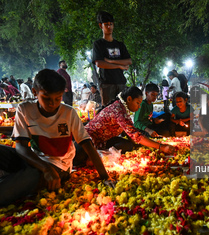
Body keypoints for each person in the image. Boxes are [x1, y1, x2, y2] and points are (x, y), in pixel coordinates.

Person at [0, 69, 113, 206]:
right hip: (35, 160)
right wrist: (44, 168)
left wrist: (105, 177)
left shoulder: (68, 113)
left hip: (58, 167)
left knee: (16, 184)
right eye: (46, 98)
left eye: (57, 98)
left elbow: (87, 145)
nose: (52, 104)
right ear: (35, 92)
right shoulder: (24, 109)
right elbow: (21, 147)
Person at [73, 86, 174, 165]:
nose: (139, 107)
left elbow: (130, 132)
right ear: (129, 99)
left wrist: (139, 145)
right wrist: (161, 147)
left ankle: (99, 154)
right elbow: (135, 135)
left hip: (103, 140)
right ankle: (95, 156)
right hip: (89, 139)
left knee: (128, 146)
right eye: (138, 103)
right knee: (78, 156)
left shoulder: (122, 108)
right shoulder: (118, 110)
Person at [92, 11, 132, 106]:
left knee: (122, 110)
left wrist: (111, 61)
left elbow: (129, 61)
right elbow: (99, 63)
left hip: (121, 83)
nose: (109, 27)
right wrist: (119, 65)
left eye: (111, 24)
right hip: (107, 84)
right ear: (100, 26)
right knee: (108, 112)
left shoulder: (120, 45)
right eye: (106, 25)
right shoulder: (98, 44)